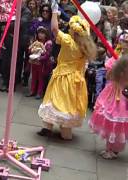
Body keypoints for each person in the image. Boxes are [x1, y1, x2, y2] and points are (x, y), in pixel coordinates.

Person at [37, 0, 97, 140]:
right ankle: (65, 132)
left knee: (54, 100)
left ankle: (48, 127)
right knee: (69, 103)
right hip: (76, 79)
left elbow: (54, 29)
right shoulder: (85, 47)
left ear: (73, 32)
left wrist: (54, 13)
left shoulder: (69, 42)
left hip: (63, 76)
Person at [89, 33, 128, 159]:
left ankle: (114, 149)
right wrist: (114, 68)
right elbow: (108, 76)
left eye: (126, 42)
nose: (124, 44)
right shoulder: (116, 57)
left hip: (122, 94)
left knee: (116, 120)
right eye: (123, 41)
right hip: (111, 91)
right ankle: (109, 148)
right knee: (108, 119)